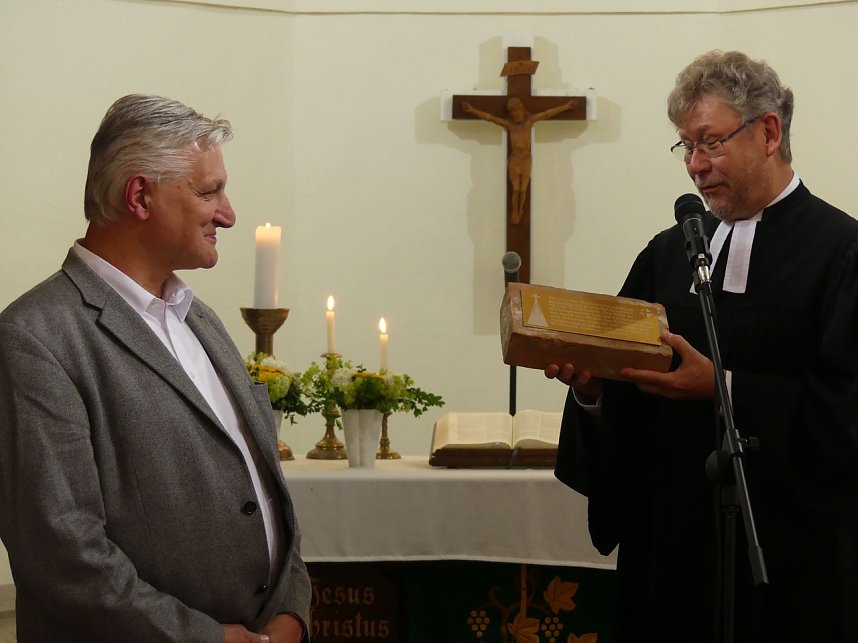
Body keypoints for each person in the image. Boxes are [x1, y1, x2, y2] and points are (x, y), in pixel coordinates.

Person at [547, 50, 858, 642]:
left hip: (792, 567)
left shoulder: (842, 254)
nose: (694, 165)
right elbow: (629, 394)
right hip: (671, 560)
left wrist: (724, 388)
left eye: (710, 143)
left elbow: (845, 412)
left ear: (769, 132)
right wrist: (596, 392)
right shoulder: (666, 255)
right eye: (685, 147)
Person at [0, 95, 310, 642]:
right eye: (209, 191)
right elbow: (61, 553)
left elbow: (263, 491)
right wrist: (208, 640)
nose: (229, 213)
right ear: (140, 195)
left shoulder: (199, 319)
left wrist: (291, 616)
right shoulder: (36, 337)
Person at [463, 97, 576, 224]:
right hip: (515, 159)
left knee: (523, 189)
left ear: (522, 110)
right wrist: (472, 110)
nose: (516, 114)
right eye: (512, 112)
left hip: (526, 159)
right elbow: (490, 118)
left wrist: (566, 107)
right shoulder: (509, 125)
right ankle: (514, 212)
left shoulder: (530, 122)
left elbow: (547, 114)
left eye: (517, 111)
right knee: (516, 189)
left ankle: (520, 210)